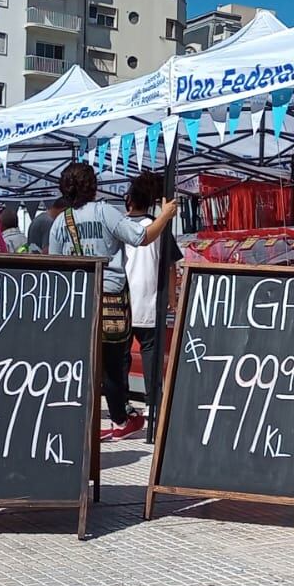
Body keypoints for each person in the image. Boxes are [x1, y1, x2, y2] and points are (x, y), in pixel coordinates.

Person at [49, 163, 179, 440]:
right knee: (112, 364)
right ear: (92, 186)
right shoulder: (105, 212)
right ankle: (120, 417)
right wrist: (165, 215)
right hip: (110, 299)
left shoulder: (62, 221)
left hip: (77, 300)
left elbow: (54, 265)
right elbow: (142, 237)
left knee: (83, 362)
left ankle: (78, 418)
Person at [122, 173, 182, 441]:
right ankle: (153, 408)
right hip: (149, 301)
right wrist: (172, 297)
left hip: (122, 303)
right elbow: (170, 264)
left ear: (129, 200)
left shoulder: (119, 226)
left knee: (120, 359)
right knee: (151, 359)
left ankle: (123, 410)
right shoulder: (158, 227)